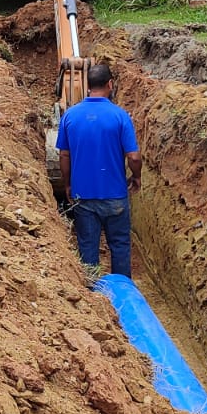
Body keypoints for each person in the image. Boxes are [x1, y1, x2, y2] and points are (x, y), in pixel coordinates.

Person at [56, 63, 143, 279]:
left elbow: (64, 155)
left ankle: (93, 297)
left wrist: (68, 184)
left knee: (87, 248)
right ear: (110, 84)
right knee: (120, 245)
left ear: (88, 85)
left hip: (83, 196)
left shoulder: (69, 116)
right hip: (115, 195)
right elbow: (134, 156)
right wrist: (137, 176)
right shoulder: (120, 116)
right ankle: (123, 291)